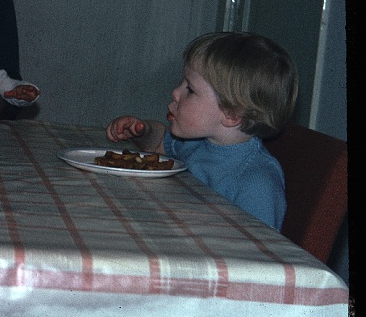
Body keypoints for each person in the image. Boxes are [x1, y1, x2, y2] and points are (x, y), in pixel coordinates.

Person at [105, 32, 298, 230]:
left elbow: (263, 251)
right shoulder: (197, 143)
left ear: (231, 114)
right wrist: (143, 131)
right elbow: (159, 144)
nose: (175, 92)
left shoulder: (256, 182)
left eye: (190, 89)